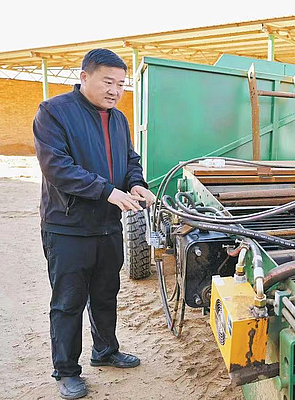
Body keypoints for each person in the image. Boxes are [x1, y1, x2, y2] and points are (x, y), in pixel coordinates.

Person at [33, 48, 155, 399]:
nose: (115, 90)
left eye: (121, 84)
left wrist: (136, 183)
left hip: (107, 224)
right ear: (84, 77)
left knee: (105, 293)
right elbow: (57, 167)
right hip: (68, 225)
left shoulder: (118, 119)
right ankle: (66, 371)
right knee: (68, 301)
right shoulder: (53, 112)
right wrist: (107, 191)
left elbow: (130, 159)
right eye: (108, 82)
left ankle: (105, 350)